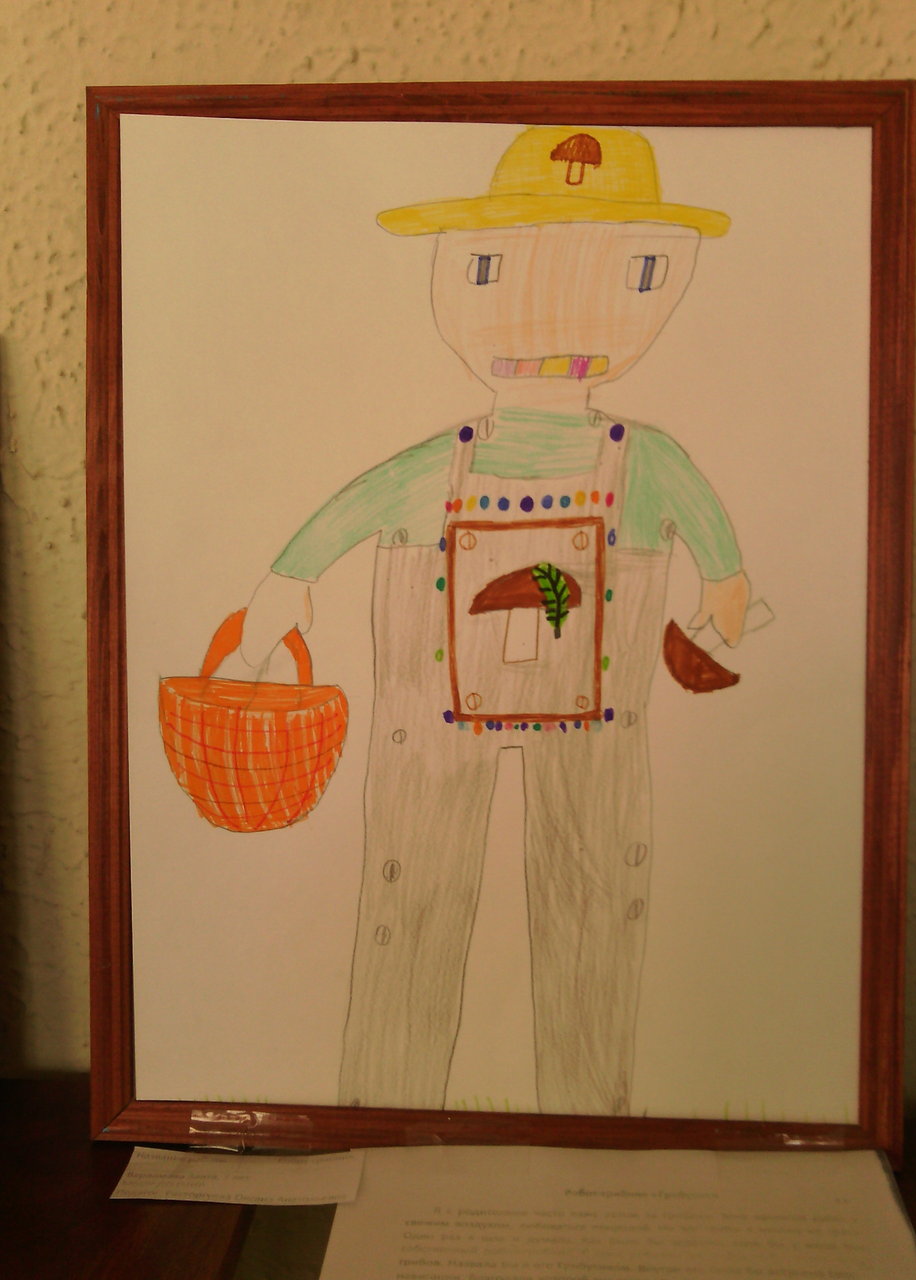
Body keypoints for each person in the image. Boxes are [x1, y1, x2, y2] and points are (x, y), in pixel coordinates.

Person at [241, 125, 749, 1116]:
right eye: (492, 269)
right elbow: (345, 515)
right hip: (431, 723)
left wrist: (722, 595)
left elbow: (718, 555)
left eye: (628, 272)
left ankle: (590, 1121)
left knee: (593, 900)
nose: (551, 316)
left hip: (596, 733)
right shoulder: (435, 465)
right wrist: (286, 579)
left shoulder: (647, 462)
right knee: (412, 891)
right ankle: (382, 1109)